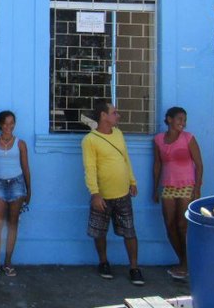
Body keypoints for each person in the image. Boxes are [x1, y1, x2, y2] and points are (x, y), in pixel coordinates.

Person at [81, 99, 144, 286]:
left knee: (129, 231)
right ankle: (103, 262)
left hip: (123, 194)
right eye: (114, 112)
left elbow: (125, 158)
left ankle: (134, 267)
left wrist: (132, 181)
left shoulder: (118, 134)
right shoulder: (90, 140)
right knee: (100, 232)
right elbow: (90, 168)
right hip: (102, 196)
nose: (118, 115)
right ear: (103, 116)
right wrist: (95, 193)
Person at [152, 107, 203, 280]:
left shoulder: (188, 138)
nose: (183, 122)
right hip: (167, 186)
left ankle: (187, 264)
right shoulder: (158, 140)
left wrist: (197, 189)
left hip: (187, 185)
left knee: (183, 225)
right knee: (170, 225)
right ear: (169, 119)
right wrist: (155, 189)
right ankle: (183, 260)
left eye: (184, 119)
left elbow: (199, 164)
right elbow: (157, 165)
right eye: (179, 119)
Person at [0, 110, 31, 278]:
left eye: (12, 123)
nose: (9, 126)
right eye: (6, 123)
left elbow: (25, 168)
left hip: (17, 185)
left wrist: (29, 190)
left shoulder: (21, 144)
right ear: (0, 124)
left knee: (12, 225)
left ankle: (8, 263)